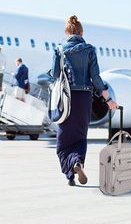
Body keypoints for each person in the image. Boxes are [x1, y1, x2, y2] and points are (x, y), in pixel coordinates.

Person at [52, 15, 118, 186]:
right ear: (82, 32)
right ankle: (77, 162)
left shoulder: (59, 49)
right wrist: (108, 99)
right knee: (80, 137)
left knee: (63, 139)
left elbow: (55, 75)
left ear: (67, 32)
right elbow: (96, 78)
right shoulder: (89, 49)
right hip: (84, 99)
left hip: (66, 98)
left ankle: (70, 175)